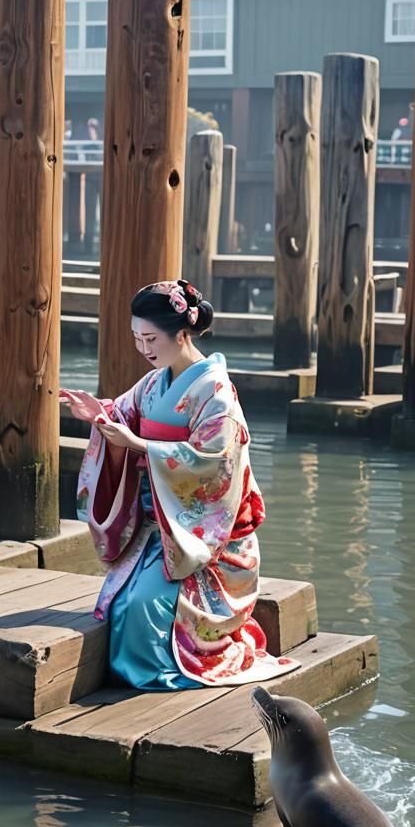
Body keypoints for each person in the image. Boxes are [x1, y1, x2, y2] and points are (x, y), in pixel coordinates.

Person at [61, 280, 300, 690]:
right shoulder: (155, 383)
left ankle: (161, 675)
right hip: (162, 530)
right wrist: (98, 415)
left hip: (206, 542)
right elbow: (123, 414)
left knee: (142, 606)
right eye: (138, 339)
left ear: (182, 333)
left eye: (151, 338)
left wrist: (139, 444)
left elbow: (214, 464)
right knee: (117, 602)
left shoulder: (217, 393)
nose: (144, 349)